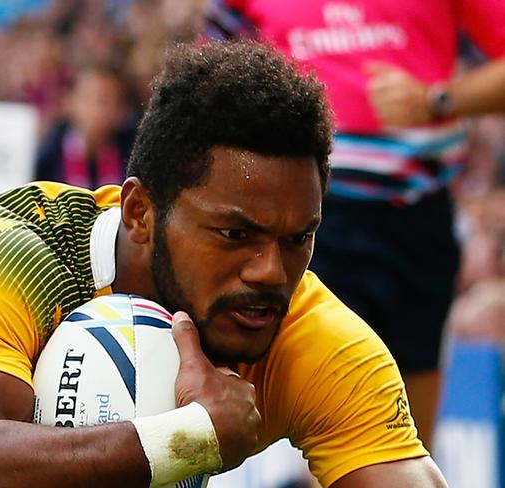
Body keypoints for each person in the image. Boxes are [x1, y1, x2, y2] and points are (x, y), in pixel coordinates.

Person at [0, 41, 447, 488]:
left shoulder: (311, 339)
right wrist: (192, 438)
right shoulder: (27, 247)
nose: (270, 271)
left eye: (299, 238)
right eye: (235, 233)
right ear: (140, 212)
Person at [205, 0, 505, 449]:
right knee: (336, 430)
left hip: (419, 218)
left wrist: (436, 100)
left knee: (410, 442)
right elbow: (203, 91)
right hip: (310, 227)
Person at [34, 63, 135, 188]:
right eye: (89, 98)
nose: (97, 110)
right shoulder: (47, 158)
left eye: (106, 101)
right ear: (69, 102)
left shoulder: (133, 155)